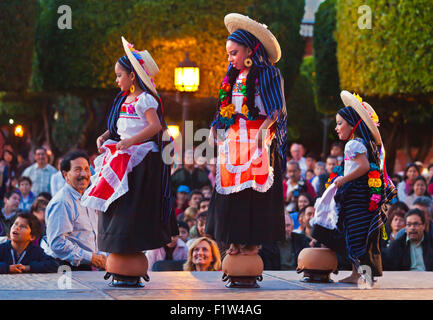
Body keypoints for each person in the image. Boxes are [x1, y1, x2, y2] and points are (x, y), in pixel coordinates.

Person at [81, 37, 177, 282]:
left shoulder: (146, 98)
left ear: (133, 76)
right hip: (123, 154)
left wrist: (130, 143)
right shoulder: (123, 99)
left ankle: (130, 247)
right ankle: (116, 245)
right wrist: (105, 136)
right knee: (113, 203)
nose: (117, 80)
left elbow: (155, 127)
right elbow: (118, 128)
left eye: (119, 75)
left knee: (130, 207)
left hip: (141, 160)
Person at [206, 13, 287, 256]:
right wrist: (214, 126)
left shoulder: (269, 73)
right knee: (231, 190)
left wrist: (264, 129)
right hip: (234, 138)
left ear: (249, 51)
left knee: (254, 193)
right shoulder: (231, 77)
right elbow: (224, 108)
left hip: (259, 138)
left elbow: (277, 107)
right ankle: (232, 240)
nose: (230, 58)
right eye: (228, 53)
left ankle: (252, 243)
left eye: (234, 53)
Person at [311, 91, 396, 284]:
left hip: (356, 196)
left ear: (353, 124)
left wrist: (343, 179)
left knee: (356, 235)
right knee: (354, 234)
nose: (336, 127)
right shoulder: (361, 143)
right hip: (360, 195)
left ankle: (366, 277)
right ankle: (357, 275)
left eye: (340, 123)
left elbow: (364, 167)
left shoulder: (353, 145)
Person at [45, 150, 106, 271]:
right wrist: (90, 257)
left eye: (86, 169)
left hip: (90, 267)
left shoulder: (88, 198)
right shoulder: (62, 202)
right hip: (69, 269)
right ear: (65, 174)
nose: (84, 174)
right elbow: (57, 243)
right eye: (77, 170)